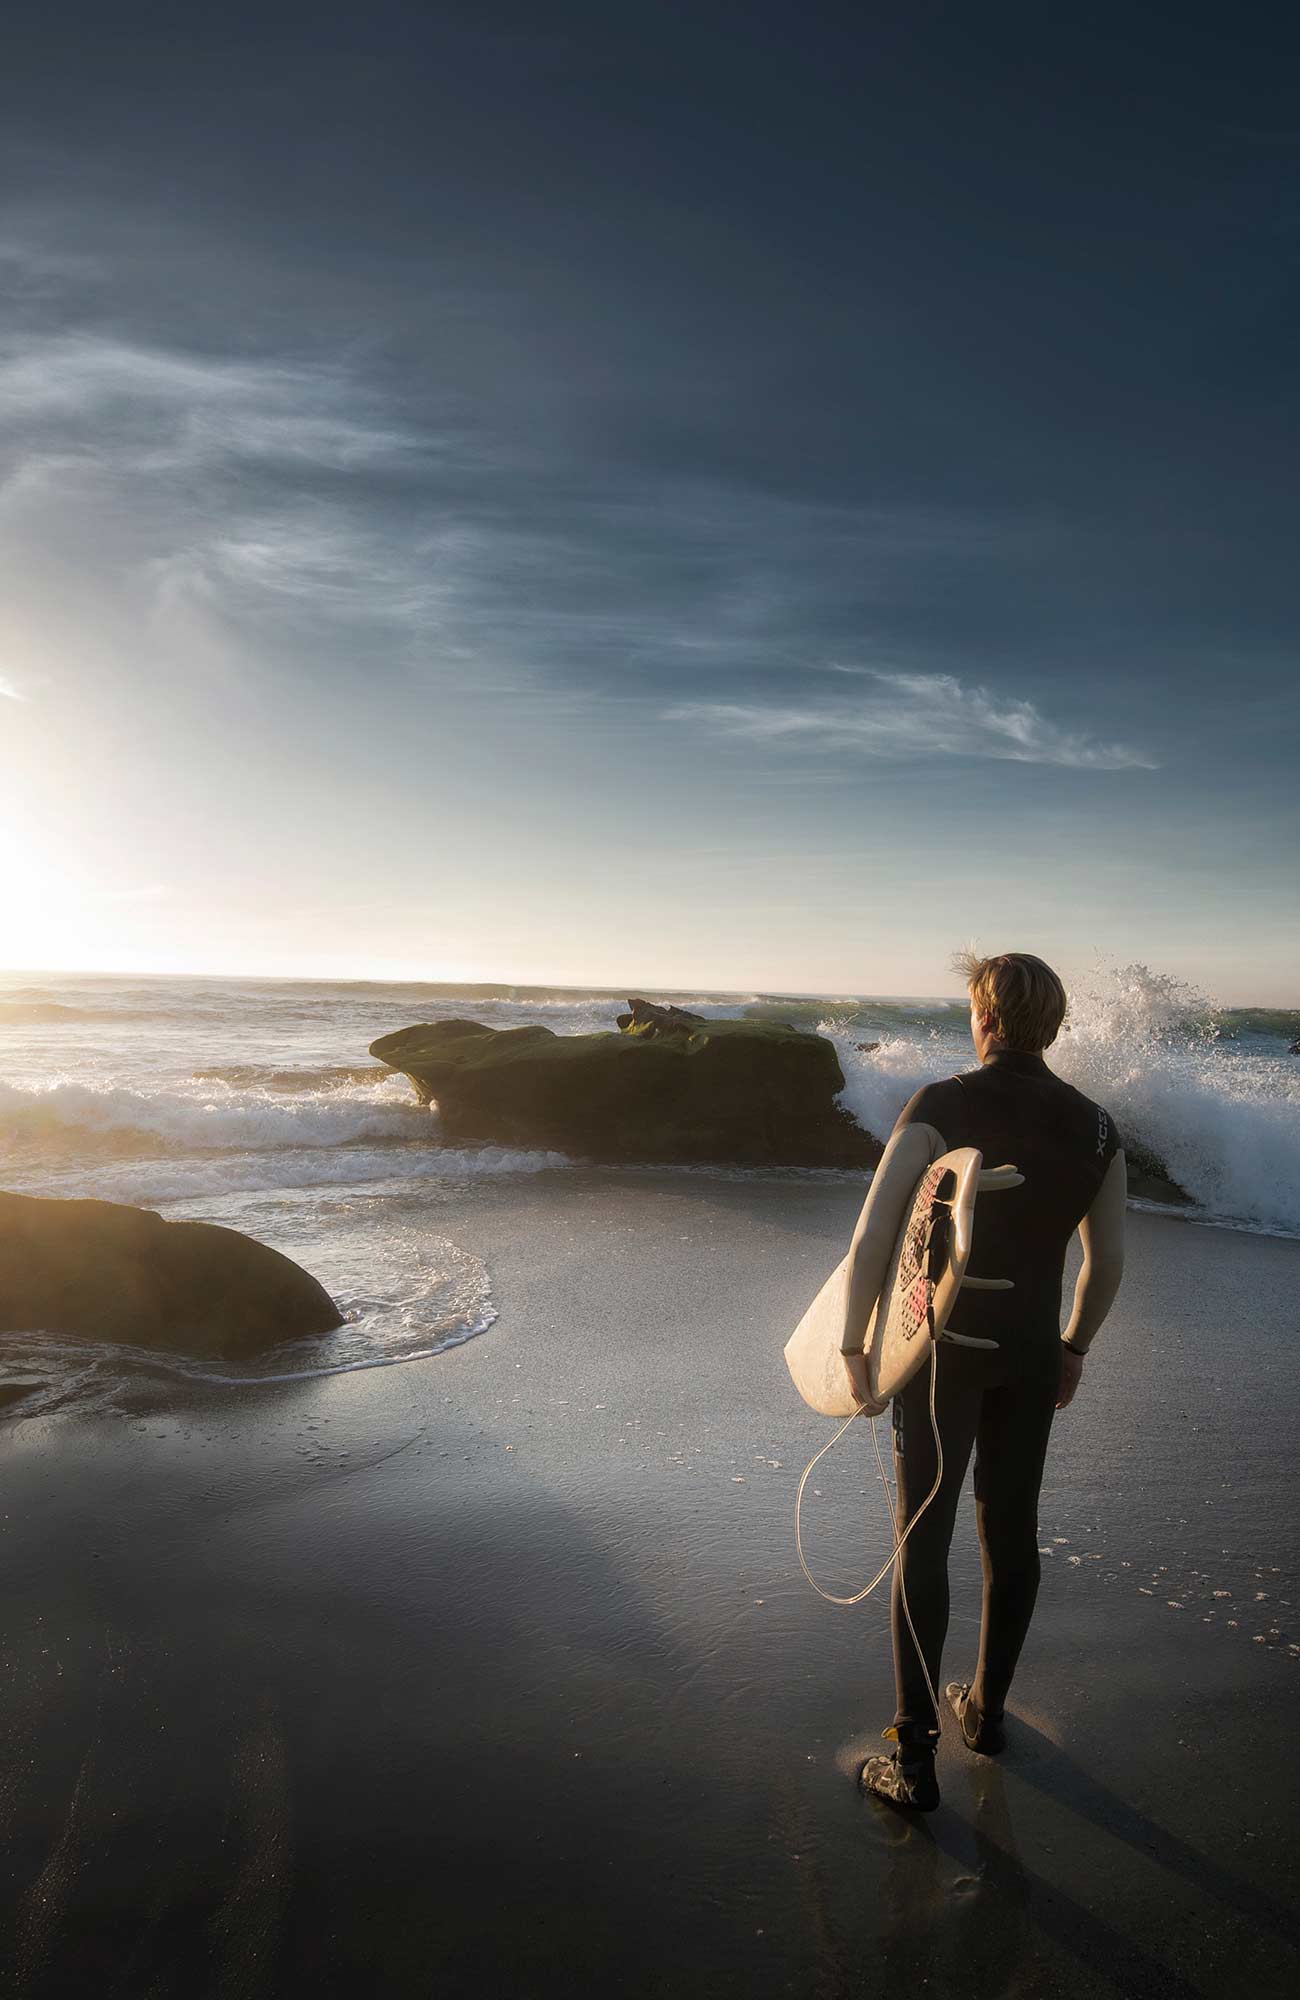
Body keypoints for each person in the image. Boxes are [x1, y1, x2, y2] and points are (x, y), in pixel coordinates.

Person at [840, 951, 1127, 1812]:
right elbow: (1104, 1261)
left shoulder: (941, 1104)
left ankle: (913, 1759)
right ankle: (988, 1715)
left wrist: (858, 1355)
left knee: (921, 1536)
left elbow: (871, 1242)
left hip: (944, 1357)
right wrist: (1074, 1348)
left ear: (986, 1018)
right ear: (1054, 1024)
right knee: (1011, 1530)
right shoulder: (1100, 1127)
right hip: (1032, 1355)